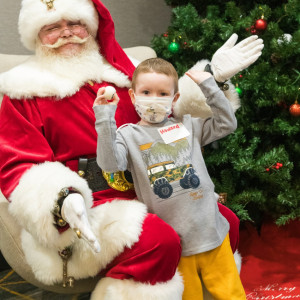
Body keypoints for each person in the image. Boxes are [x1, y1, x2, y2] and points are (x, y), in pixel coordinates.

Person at [0, 0, 263, 298]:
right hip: (89, 206)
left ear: (91, 26)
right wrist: (63, 200)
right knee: (157, 240)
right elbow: (17, 167)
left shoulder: (123, 72)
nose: (67, 33)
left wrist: (212, 77)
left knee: (223, 220)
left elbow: (170, 115)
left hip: (151, 184)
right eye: (52, 28)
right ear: (37, 35)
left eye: (76, 24)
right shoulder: (23, 92)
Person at [94, 57, 246, 300]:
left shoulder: (189, 125)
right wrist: (105, 117)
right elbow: (110, 163)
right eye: (146, 92)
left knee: (232, 295)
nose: (154, 99)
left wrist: (209, 86)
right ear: (133, 96)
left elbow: (227, 123)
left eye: (162, 93)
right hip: (177, 243)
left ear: (174, 99)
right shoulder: (128, 135)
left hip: (212, 233)